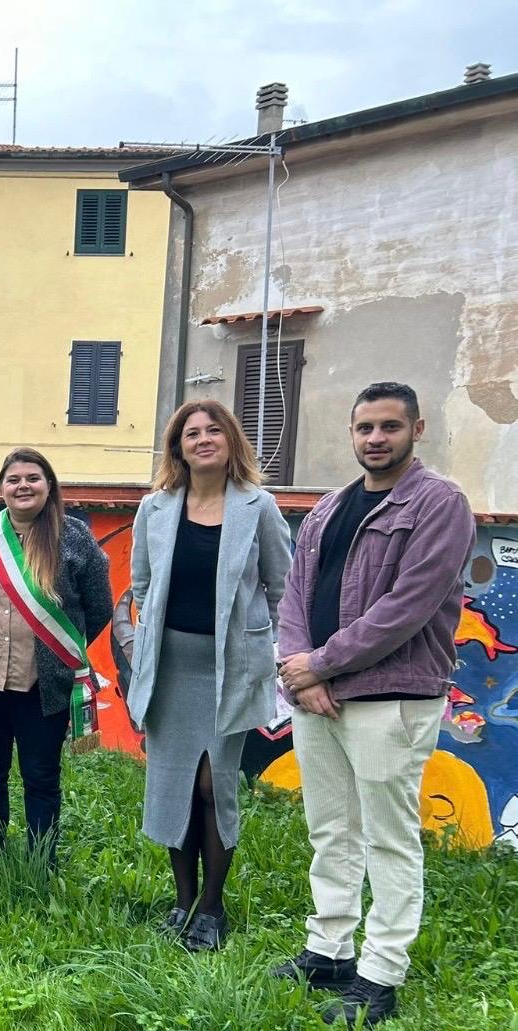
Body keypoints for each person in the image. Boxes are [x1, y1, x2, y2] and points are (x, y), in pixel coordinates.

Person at [272, 382, 475, 1027]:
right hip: (317, 698)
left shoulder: (440, 505)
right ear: (352, 432)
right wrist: (300, 675)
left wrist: (321, 664)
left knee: (389, 840)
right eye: (365, 428)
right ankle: (328, 948)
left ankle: (380, 972)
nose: (375, 439)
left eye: (390, 427)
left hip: (391, 698)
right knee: (331, 831)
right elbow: (294, 596)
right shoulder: (330, 507)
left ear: (417, 430)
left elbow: (406, 609)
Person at [128, 401, 291, 951]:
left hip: (230, 669)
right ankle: (182, 902)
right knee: (175, 788)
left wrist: (270, 653)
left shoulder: (259, 507)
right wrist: (150, 645)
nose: (202, 439)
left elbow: (283, 589)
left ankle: (212, 907)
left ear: (230, 441)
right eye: (191, 433)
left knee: (212, 786)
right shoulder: (155, 508)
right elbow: (142, 586)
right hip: (171, 669)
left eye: (213, 430)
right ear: (178, 447)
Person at [0, 448, 111, 861]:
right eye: (14, 479)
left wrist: (60, 652)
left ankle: (42, 860)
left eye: (32, 478)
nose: (23, 486)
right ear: (1, 488)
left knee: (41, 776)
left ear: (49, 485)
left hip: (43, 683)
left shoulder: (73, 536)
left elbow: (99, 606)